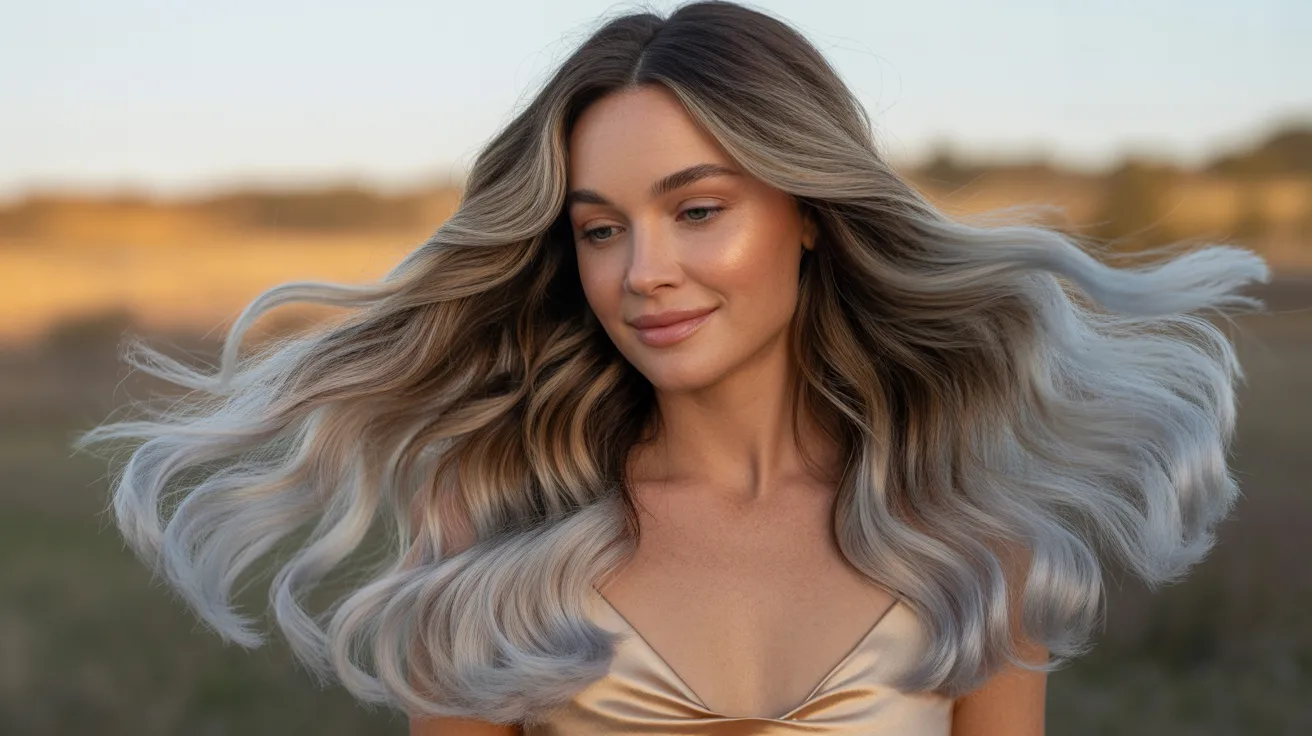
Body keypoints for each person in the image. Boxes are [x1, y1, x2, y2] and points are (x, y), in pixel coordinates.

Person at [72, 1, 1269, 734]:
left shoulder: (968, 544)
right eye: (600, 229)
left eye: (697, 210)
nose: (643, 272)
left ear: (809, 211)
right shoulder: (492, 523)